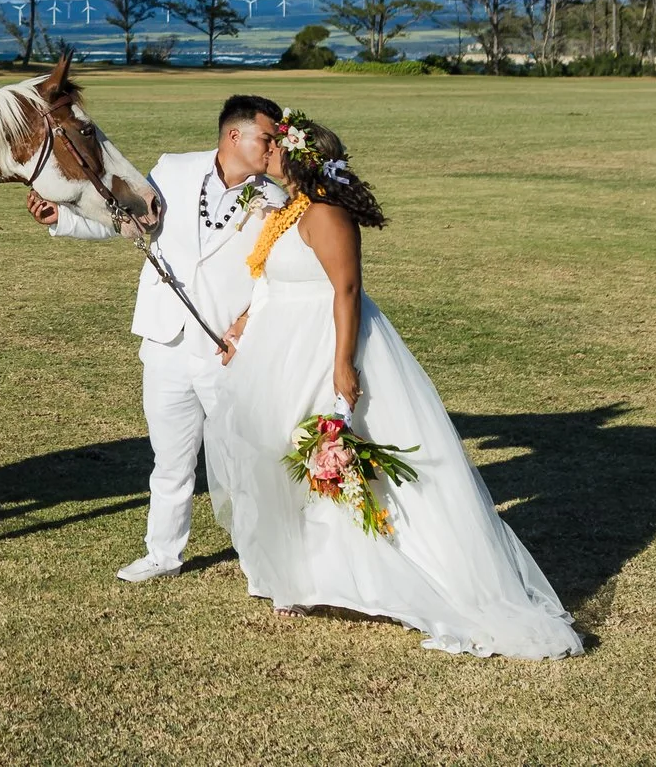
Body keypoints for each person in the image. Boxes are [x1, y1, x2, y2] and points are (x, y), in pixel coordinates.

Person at [211, 112, 584, 659]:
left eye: (275, 146)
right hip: (282, 347)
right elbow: (269, 277)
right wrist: (243, 326)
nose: (265, 151)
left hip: (324, 344)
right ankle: (301, 573)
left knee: (336, 453)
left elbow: (347, 289)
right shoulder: (289, 209)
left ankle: (370, 575)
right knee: (281, 453)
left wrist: (343, 364)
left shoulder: (327, 213)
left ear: (299, 157)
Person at [37, 94, 285, 582]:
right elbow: (127, 222)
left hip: (227, 351)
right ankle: (162, 554)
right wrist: (61, 220)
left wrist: (244, 328)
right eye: (267, 136)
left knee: (241, 461)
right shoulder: (172, 170)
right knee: (170, 460)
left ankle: (262, 560)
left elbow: (276, 279)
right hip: (165, 340)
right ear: (234, 135)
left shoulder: (275, 200)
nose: (274, 146)